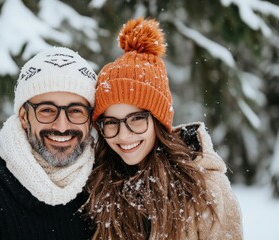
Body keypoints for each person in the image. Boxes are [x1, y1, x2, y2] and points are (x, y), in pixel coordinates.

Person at [84, 18, 243, 240]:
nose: (123, 134)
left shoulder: (203, 187)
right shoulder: (95, 186)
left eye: (137, 119)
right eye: (111, 122)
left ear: (159, 121)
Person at [0, 47, 97, 239]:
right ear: (24, 116)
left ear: (90, 119)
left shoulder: (107, 188)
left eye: (76, 111)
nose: (62, 126)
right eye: (47, 110)